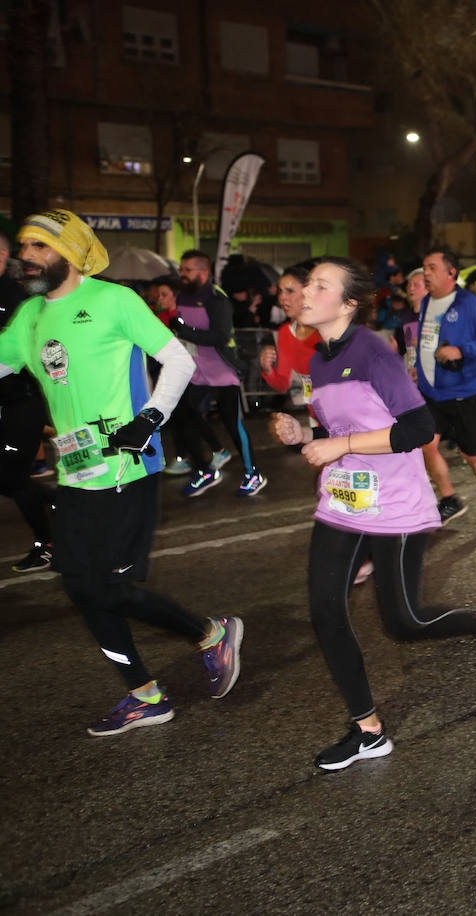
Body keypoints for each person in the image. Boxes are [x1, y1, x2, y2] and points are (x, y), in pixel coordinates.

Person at [269, 257, 476, 770]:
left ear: (347, 303)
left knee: (404, 622)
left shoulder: (371, 350)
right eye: (307, 284)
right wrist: (307, 436)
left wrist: (338, 443)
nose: (305, 293)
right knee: (325, 609)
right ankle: (368, 730)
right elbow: (345, 430)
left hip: (395, 504)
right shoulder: (320, 360)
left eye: (320, 286)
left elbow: (416, 428)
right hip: (343, 499)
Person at [0, 210, 242, 735]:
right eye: (23, 246)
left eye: (39, 247)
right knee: (79, 587)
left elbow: (178, 360)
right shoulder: (29, 317)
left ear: (68, 252)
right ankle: (145, 694)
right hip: (74, 471)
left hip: (125, 465)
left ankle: (209, 633)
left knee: (104, 587)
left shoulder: (113, 301)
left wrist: (149, 419)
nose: (27, 256)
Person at [415, 248, 476, 527]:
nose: (425, 273)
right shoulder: (426, 303)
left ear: (451, 272)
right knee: (426, 444)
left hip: (466, 392)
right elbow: (425, 343)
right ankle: (449, 499)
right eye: (424, 268)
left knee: (472, 454)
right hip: (432, 393)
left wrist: (461, 350)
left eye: (432, 267)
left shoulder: (469, 304)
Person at [168, 249, 267, 497]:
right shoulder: (183, 295)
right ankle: (204, 470)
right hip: (196, 372)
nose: (182, 274)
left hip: (223, 373)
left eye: (187, 270)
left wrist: (184, 330)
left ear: (203, 272)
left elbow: (220, 336)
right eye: (182, 269)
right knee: (182, 417)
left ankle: (253, 473)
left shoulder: (216, 298)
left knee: (233, 425)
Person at [0, 228, 54, 571]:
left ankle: (48, 542)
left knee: (10, 478)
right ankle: (68, 505)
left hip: (23, 403)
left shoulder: (19, 298)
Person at [258, 264, 319, 409]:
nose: (282, 298)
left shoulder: (328, 328)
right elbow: (283, 385)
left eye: (290, 291)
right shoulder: (285, 332)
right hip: (313, 414)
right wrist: (268, 370)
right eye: (280, 291)